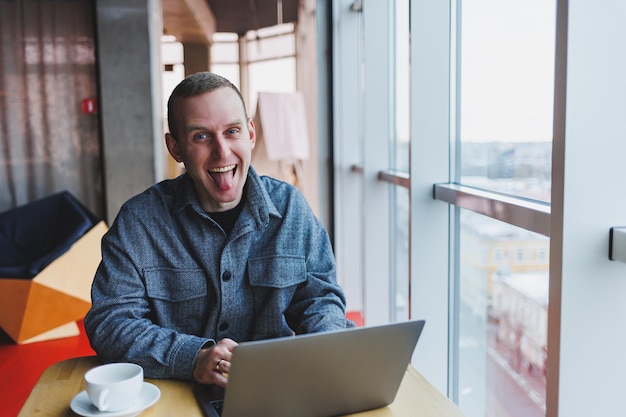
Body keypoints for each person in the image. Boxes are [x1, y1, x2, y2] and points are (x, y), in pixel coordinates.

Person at [84, 72, 354, 388]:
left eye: (232, 131)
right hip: (172, 393)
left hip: (273, 391)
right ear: (175, 148)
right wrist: (193, 358)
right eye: (201, 136)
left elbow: (320, 300)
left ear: (250, 133)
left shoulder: (292, 208)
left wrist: (328, 347)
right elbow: (110, 322)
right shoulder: (139, 221)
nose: (222, 151)